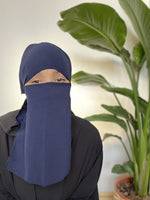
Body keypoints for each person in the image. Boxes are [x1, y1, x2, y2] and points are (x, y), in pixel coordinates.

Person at [0, 42, 103, 200]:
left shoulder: (88, 138)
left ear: (69, 84)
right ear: (24, 86)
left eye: (59, 80)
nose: (49, 87)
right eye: (37, 82)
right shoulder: (2, 134)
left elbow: (85, 194)